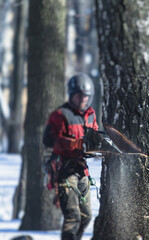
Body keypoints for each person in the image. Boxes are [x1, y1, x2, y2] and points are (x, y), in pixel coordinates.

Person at [43, 73, 98, 240]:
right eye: (79, 95)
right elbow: (50, 141)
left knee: (86, 215)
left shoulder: (90, 114)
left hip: (82, 170)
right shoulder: (60, 115)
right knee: (72, 216)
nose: (83, 99)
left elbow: (94, 135)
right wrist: (74, 144)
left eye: (86, 96)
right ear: (71, 95)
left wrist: (98, 145)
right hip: (65, 170)